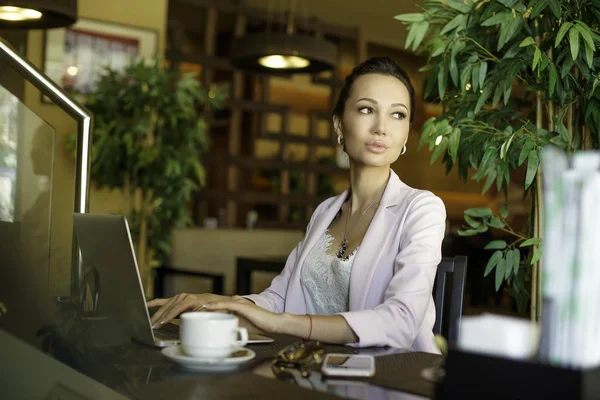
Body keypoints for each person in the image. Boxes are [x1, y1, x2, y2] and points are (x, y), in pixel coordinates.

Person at [147, 57, 446, 353]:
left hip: (390, 381)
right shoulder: (325, 212)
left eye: (397, 115)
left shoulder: (421, 210)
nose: (382, 128)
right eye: (367, 109)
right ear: (339, 123)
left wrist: (284, 324)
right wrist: (218, 304)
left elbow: (402, 321)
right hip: (314, 369)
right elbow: (279, 298)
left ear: (407, 132)